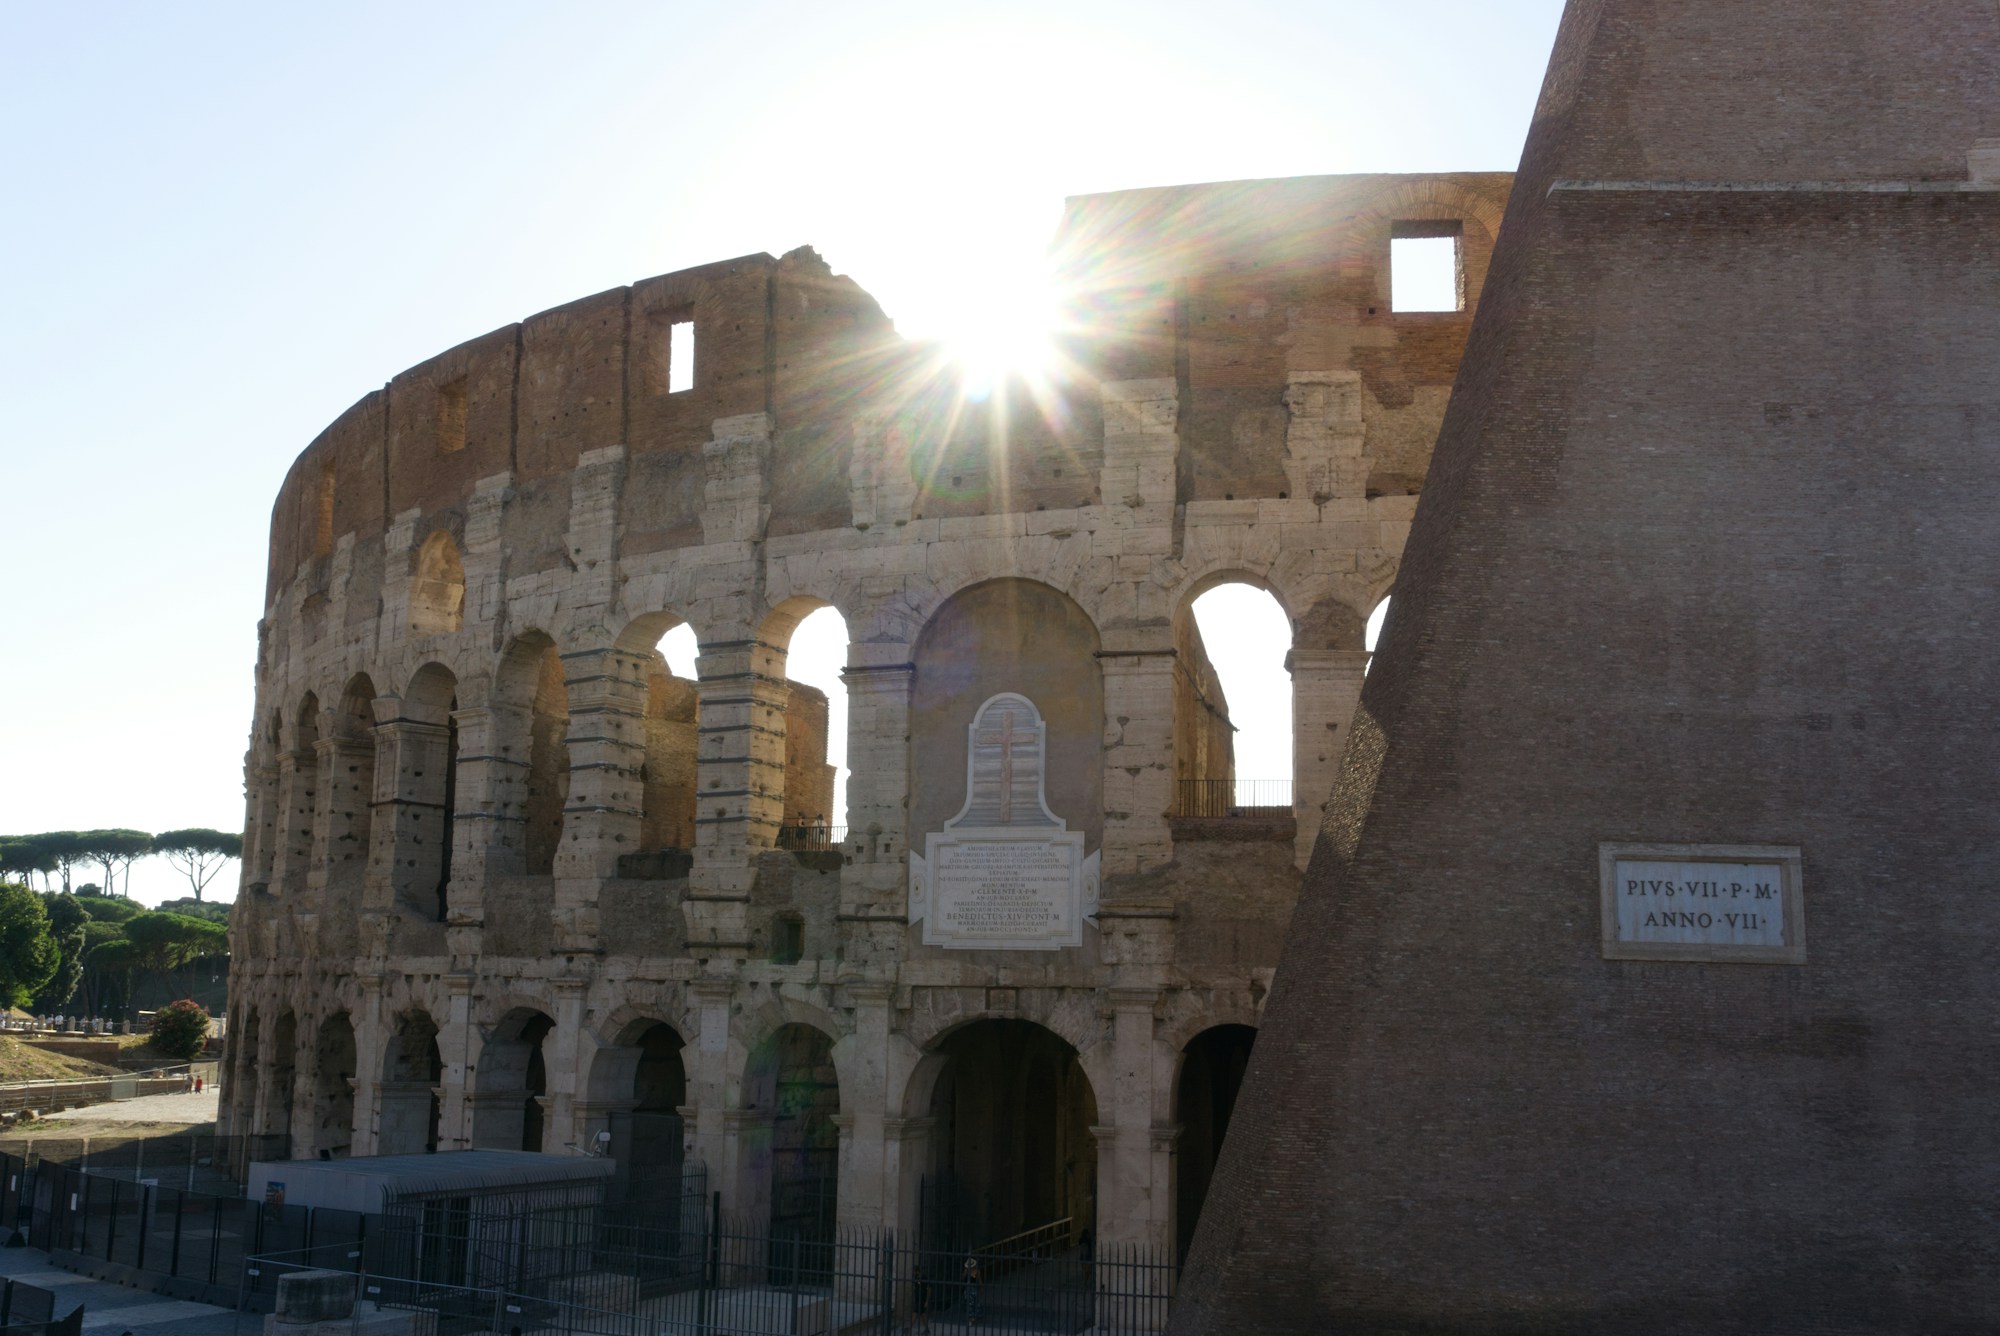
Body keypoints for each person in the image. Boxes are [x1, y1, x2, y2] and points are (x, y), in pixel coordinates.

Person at [909, 1262, 930, 1335]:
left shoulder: (924, 1278)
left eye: (914, 1271)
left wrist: (927, 1300)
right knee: (922, 1314)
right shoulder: (916, 1277)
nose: (913, 1273)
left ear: (917, 1271)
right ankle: (927, 1329)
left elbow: (929, 1289)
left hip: (922, 1299)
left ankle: (909, 1329)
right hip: (918, 1299)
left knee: (915, 1312)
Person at [961, 1254, 981, 1326]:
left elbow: (979, 1280)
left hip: (974, 1288)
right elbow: (962, 1278)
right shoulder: (966, 1271)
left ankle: (975, 1317)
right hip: (968, 1289)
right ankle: (970, 1318)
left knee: (976, 1303)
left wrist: (981, 1288)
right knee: (969, 1303)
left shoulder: (977, 1271)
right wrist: (965, 1273)